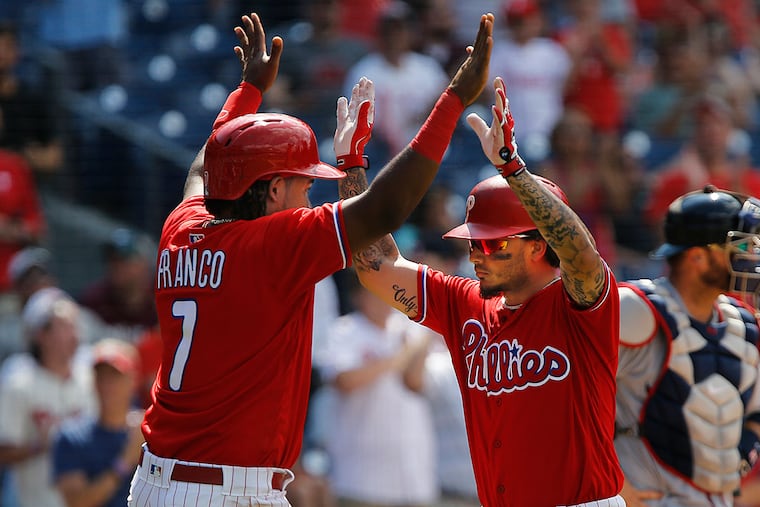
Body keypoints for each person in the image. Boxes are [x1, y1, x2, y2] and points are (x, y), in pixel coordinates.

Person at [128, 10, 494, 507]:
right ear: (275, 189)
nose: (310, 192)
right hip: (224, 491)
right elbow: (388, 207)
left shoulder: (182, 226)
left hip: (160, 482)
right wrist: (451, 102)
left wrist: (247, 93)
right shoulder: (275, 244)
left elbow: (202, 168)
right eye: (304, 182)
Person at [340, 76, 624, 505]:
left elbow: (581, 254)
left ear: (539, 244)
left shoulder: (579, 303)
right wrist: (351, 166)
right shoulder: (464, 302)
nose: (476, 254)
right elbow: (376, 267)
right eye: (473, 243)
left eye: (492, 243)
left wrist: (513, 170)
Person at [615, 185, 760, 506]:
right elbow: (572, 400)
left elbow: (755, 416)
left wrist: (733, 465)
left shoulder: (745, 324)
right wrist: (612, 485)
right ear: (697, 256)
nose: (750, 257)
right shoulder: (635, 309)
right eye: (739, 246)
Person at [318, 271, 437, 507]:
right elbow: (345, 381)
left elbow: (416, 384)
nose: (382, 300)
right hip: (360, 476)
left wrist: (420, 347)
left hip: (412, 473)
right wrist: (401, 356)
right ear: (358, 296)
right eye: (374, 293)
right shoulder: (344, 330)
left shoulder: (409, 329)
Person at [0, 287, 97, 507]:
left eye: (75, 324)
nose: (75, 334)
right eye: (64, 326)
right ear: (40, 335)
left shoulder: (91, 375)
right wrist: (40, 444)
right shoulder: (18, 380)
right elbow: (3, 451)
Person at [52, 337, 144, 507]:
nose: (107, 385)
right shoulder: (71, 437)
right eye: (101, 377)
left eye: (115, 376)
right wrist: (124, 462)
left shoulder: (150, 432)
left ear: (133, 380)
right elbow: (77, 502)